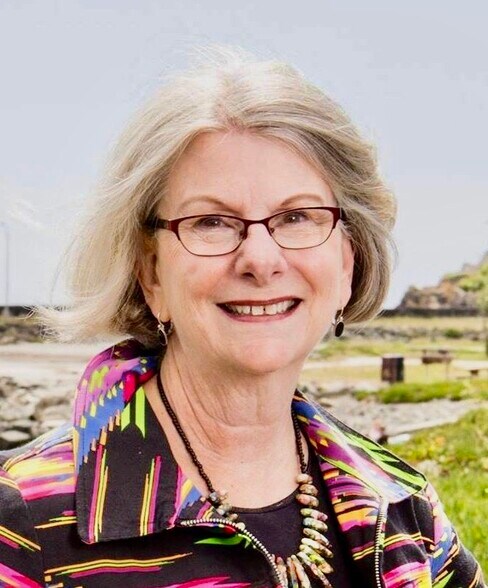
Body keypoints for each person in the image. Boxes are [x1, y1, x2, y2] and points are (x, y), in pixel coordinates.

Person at [0, 46, 484, 588]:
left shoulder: (402, 507)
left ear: (347, 262)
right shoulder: (21, 523)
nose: (260, 259)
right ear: (150, 272)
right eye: (211, 222)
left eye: (297, 216)